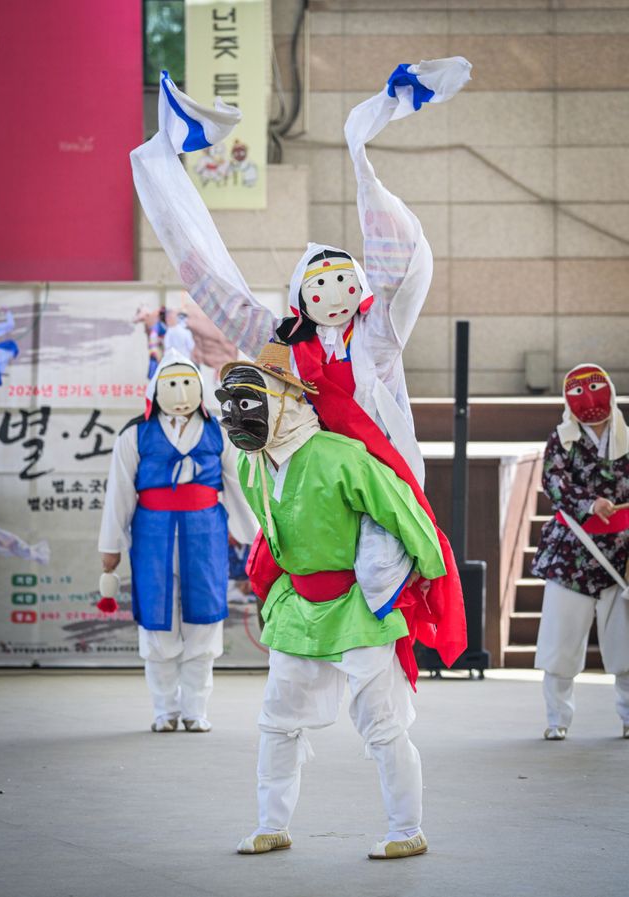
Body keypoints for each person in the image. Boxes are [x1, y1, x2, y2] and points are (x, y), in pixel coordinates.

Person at [131, 59, 471, 683]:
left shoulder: (377, 336)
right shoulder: (281, 344)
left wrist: (362, 157)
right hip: (311, 478)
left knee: (378, 571)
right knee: (297, 571)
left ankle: (377, 655)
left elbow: (401, 269)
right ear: (300, 298)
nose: (333, 293)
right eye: (319, 287)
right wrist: (163, 174)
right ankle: (162, 160)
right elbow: (218, 289)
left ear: (360, 287)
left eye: (344, 281)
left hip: (377, 473)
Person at [216, 342, 453, 860]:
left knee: (383, 721)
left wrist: (431, 577)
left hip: (359, 606)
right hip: (299, 608)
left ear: (284, 399)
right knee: (277, 719)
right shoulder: (253, 464)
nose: (237, 414)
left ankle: (406, 828)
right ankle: (270, 823)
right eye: (231, 402)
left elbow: (402, 509)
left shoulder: (339, 456)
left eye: (249, 400)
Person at [98, 348, 255, 733]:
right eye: (173, 384)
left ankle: (195, 710)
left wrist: (255, 539)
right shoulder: (136, 434)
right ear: (156, 389)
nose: (181, 393)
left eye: (188, 383)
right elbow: (119, 491)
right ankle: (164, 710)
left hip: (206, 532)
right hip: (152, 533)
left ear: (200, 389)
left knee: (204, 620)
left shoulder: (220, 432)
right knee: (157, 620)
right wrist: (111, 546)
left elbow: (238, 487)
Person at [532, 363, 629, 740]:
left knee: (625, 646)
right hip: (572, 554)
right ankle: (557, 719)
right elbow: (553, 481)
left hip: (619, 556)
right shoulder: (562, 438)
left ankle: (626, 717)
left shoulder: (625, 437)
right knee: (561, 643)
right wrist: (590, 504)